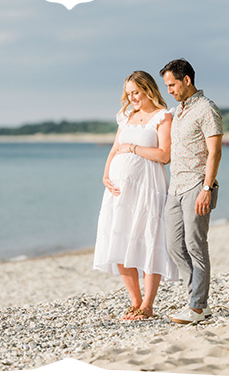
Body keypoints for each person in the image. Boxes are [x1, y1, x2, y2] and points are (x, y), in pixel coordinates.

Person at [93, 70, 177, 321]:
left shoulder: (162, 117)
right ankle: (135, 302)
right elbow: (114, 150)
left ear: (148, 90)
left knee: (150, 239)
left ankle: (148, 305)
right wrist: (106, 175)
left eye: (136, 93)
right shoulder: (126, 117)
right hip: (118, 190)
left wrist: (134, 149)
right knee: (119, 240)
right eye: (129, 94)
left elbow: (164, 156)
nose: (132, 98)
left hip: (148, 189)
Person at [160, 58, 222, 325]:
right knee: (174, 246)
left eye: (172, 84)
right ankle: (196, 302)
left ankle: (197, 307)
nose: (170, 90)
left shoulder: (207, 109)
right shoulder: (179, 111)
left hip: (197, 185)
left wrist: (207, 188)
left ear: (186, 80)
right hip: (175, 187)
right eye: (166, 86)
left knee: (196, 245)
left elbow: (215, 152)